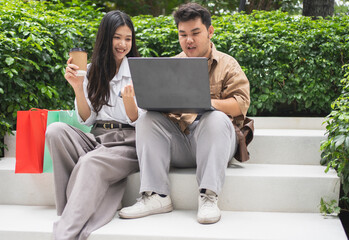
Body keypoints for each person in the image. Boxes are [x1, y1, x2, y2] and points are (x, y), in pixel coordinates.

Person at [119, 3, 250, 224]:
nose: (189, 40)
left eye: (195, 33)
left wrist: (206, 103)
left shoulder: (228, 64)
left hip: (215, 143)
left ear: (209, 32)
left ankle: (208, 197)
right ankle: (156, 196)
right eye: (183, 34)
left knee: (216, 118)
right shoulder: (170, 66)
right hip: (180, 142)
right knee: (147, 119)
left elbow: (241, 104)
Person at [45, 10, 144, 240]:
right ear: (105, 37)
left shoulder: (138, 71)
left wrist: (130, 103)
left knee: (90, 161)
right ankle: (69, 212)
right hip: (97, 139)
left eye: (128, 38)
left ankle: (66, 232)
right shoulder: (91, 71)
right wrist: (78, 87)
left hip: (127, 144)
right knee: (55, 131)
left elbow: (140, 120)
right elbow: (87, 120)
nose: (122, 44)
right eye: (117, 37)